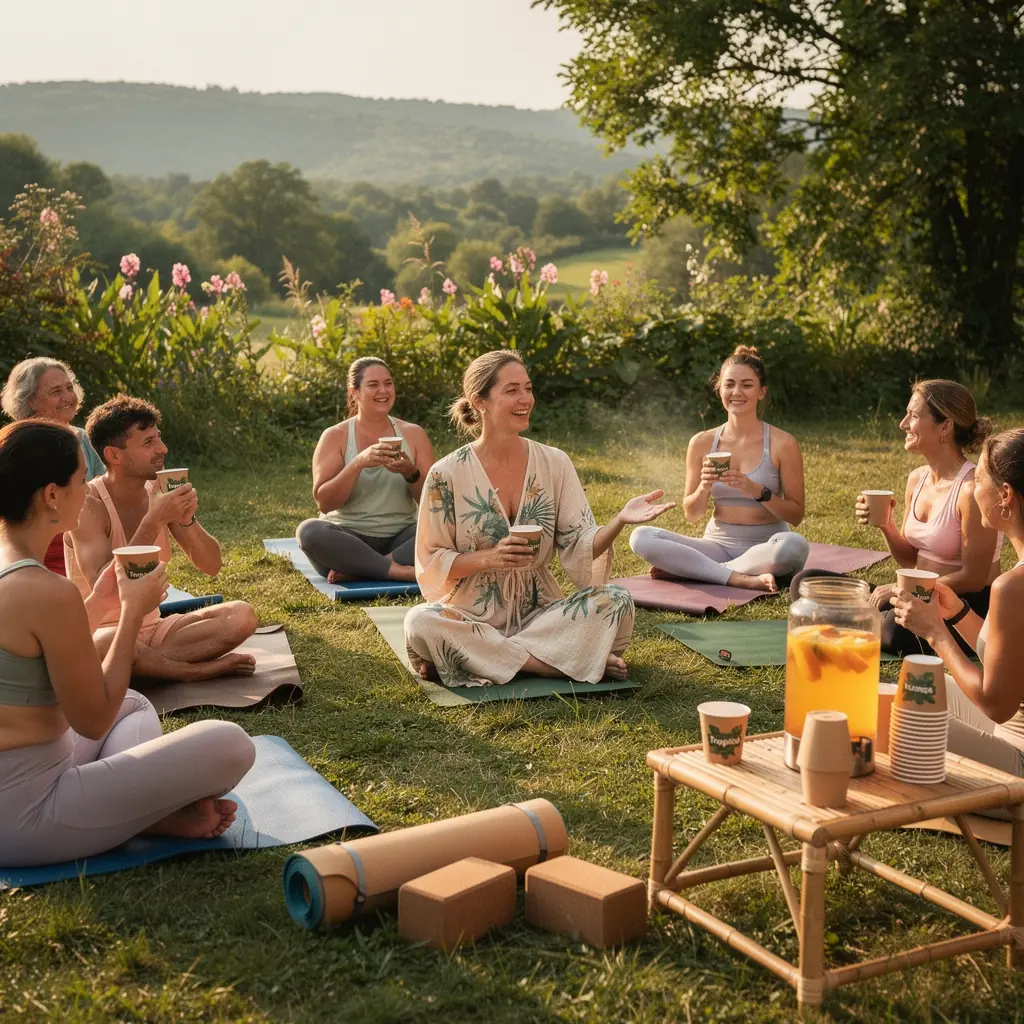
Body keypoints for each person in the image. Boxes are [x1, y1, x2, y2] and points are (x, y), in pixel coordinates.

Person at [0, 419, 256, 867]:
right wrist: (132, 613)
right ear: (51, 495)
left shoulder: (13, 567)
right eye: (81, 479)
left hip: (36, 766)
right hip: (26, 813)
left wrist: (99, 601)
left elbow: (33, 646)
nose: (88, 489)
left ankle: (130, 811)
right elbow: (95, 720)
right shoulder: (46, 590)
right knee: (232, 743)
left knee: (135, 703)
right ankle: (143, 814)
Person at [404, 350, 675, 688]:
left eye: (528, 388)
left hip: (541, 613)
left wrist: (619, 520)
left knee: (617, 599)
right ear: (480, 401)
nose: (525, 399)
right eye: (512, 390)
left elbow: (579, 542)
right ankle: (553, 664)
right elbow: (431, 562)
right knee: (420, 621)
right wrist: (491, 557)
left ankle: (483, 658)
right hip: (473, 613)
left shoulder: (554, 462)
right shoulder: (446, 474)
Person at [791, 379, 1000, 654]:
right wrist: (886, 524)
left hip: (962, 606)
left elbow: (974, 577)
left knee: (896, 630)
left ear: (945, 427)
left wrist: (901, 592)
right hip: (914, 596)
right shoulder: (917, 479)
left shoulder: (971, 490)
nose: (903, 424)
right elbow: (910, 559)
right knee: (806, 582)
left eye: (913, 416)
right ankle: (870, 620)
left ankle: (867, 622)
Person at [65, 395, 259, 682]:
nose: (163, 449)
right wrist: (154, 519)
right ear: (114, 455)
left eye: (159, 438)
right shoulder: (89, 505)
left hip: (156, 632)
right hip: (104, 632)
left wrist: (186, 519)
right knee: (105, 646)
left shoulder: (157, 493)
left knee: (241, 616)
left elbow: (212, 565)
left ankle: (147, 667)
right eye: (148, 443)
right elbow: (105, 586)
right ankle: (193, 671)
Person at [892, 428, 1024, 787]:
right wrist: (959, 615)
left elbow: (998, 705)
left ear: (1005, 496)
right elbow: (1011, 655)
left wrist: (936, 632)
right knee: (904, 688)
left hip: (1018, 766)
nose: (972, 486)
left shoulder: (1012, 587)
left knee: (890, 715)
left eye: (978, 478)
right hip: (1008, 732)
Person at [630, 345, 809, 592]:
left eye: (747, 385)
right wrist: (704, 486)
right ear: (720, 389)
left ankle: (699, 570)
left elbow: (796, 515)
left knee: (794, 547)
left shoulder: (782, 443)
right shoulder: (702, 442)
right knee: (641, 537)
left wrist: (758, 490)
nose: (737, 392)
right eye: (729, 384)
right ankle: (738, 577)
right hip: (716, 545)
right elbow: (692, 514)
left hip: (768, 543)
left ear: (761, 392)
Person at [297, 358, 435, 584]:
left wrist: (410, 472)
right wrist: (357, 463)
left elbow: (434, 503)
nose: (383, 391)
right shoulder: (335, 436)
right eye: (373, 385)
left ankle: (365, 567)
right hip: (348, 538)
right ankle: (398, 571)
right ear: (354, 392)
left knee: (450, 525)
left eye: (388, 383)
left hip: (401, 538)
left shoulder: (414, 434)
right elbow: (325, 503)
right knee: (309, 531)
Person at [1, 357, 105, 576]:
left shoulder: (85, 439)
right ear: (29, 400)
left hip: (88, 551)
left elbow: (103, 497)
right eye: (56, 391)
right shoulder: (15, 445)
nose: (67, 397)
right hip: (33, 564)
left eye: (69, 387)